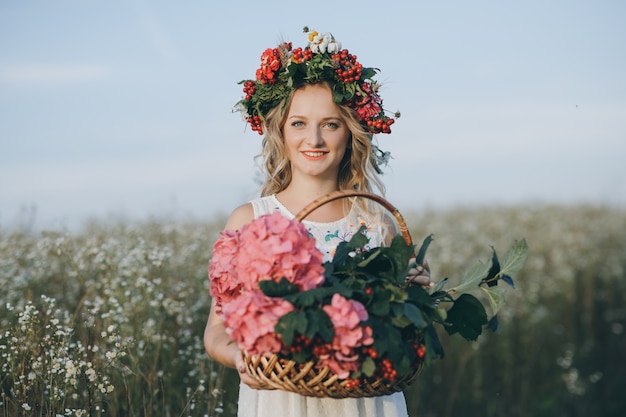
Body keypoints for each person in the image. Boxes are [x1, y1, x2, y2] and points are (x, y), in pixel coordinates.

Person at [203, 27, 431, 417]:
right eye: (298, 124)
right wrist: (241, 358)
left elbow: (400, 337)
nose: (315, 139)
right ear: (280, 131)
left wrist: (416, 299)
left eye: (330, 123)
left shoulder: (377, 223)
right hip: (281, 401)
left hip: (364, 402)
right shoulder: (252, 220)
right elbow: (216, 333)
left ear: (350, 132)